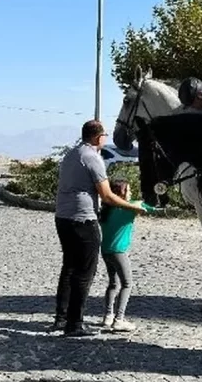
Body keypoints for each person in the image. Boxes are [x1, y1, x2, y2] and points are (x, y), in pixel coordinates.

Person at [53, 119, 147, 337]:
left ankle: (62, 317)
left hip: (63, 217)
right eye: (104, 135)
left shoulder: (71, 154)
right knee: (84, 272)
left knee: (69, 268)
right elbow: (107, 195)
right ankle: (75, 324)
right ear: (98, 137)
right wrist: (133, 207)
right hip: (82, 219)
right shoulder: (92, 158)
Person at [98, 179, 157, 332]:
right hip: (119, 252)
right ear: (122, 193)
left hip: (105, 250)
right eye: (128, 191)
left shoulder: (106, 210)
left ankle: (108, 316)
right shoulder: (130, 208)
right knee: (127, 284)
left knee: (113, 283)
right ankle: (119, 319)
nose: (131, 193)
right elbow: (152, 209)